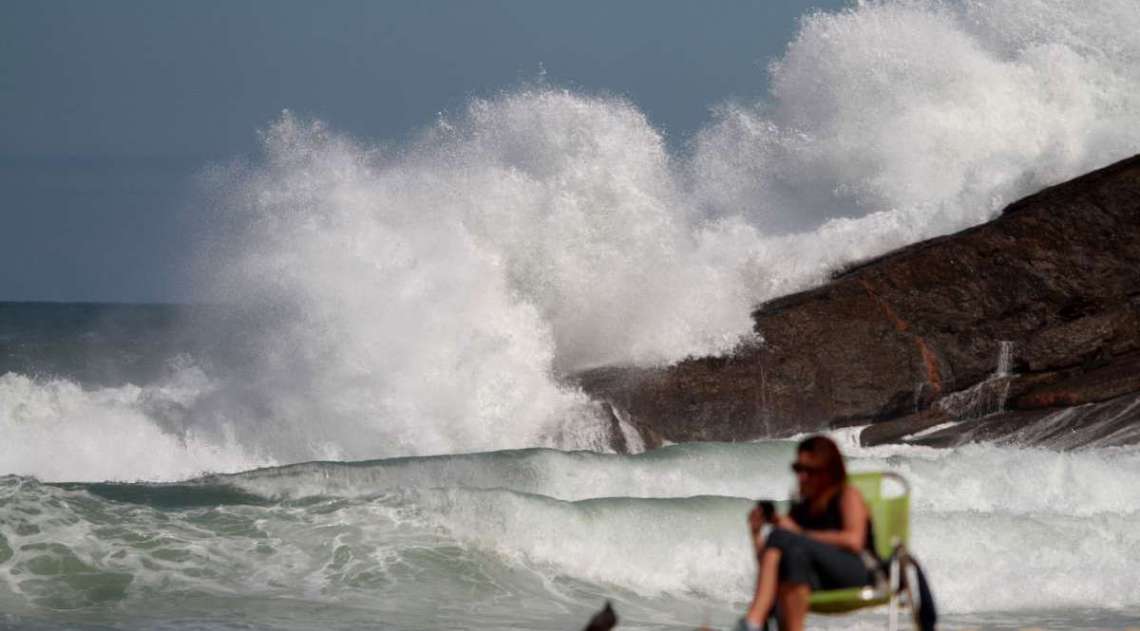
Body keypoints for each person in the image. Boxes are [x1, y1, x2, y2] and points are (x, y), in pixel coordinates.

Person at [741, 435, 876, 631]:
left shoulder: (847, 495)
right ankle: (756, 622)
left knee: (786, 540)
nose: (802, 476)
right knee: (791, 555)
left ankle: (753, 620)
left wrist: (799, 534)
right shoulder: (801, 507)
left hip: (855, 573)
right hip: (815, 578)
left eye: (809, 470)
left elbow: (854, 541)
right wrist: (756, 534)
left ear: (828, 471)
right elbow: (770, 569)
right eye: (798, 469)